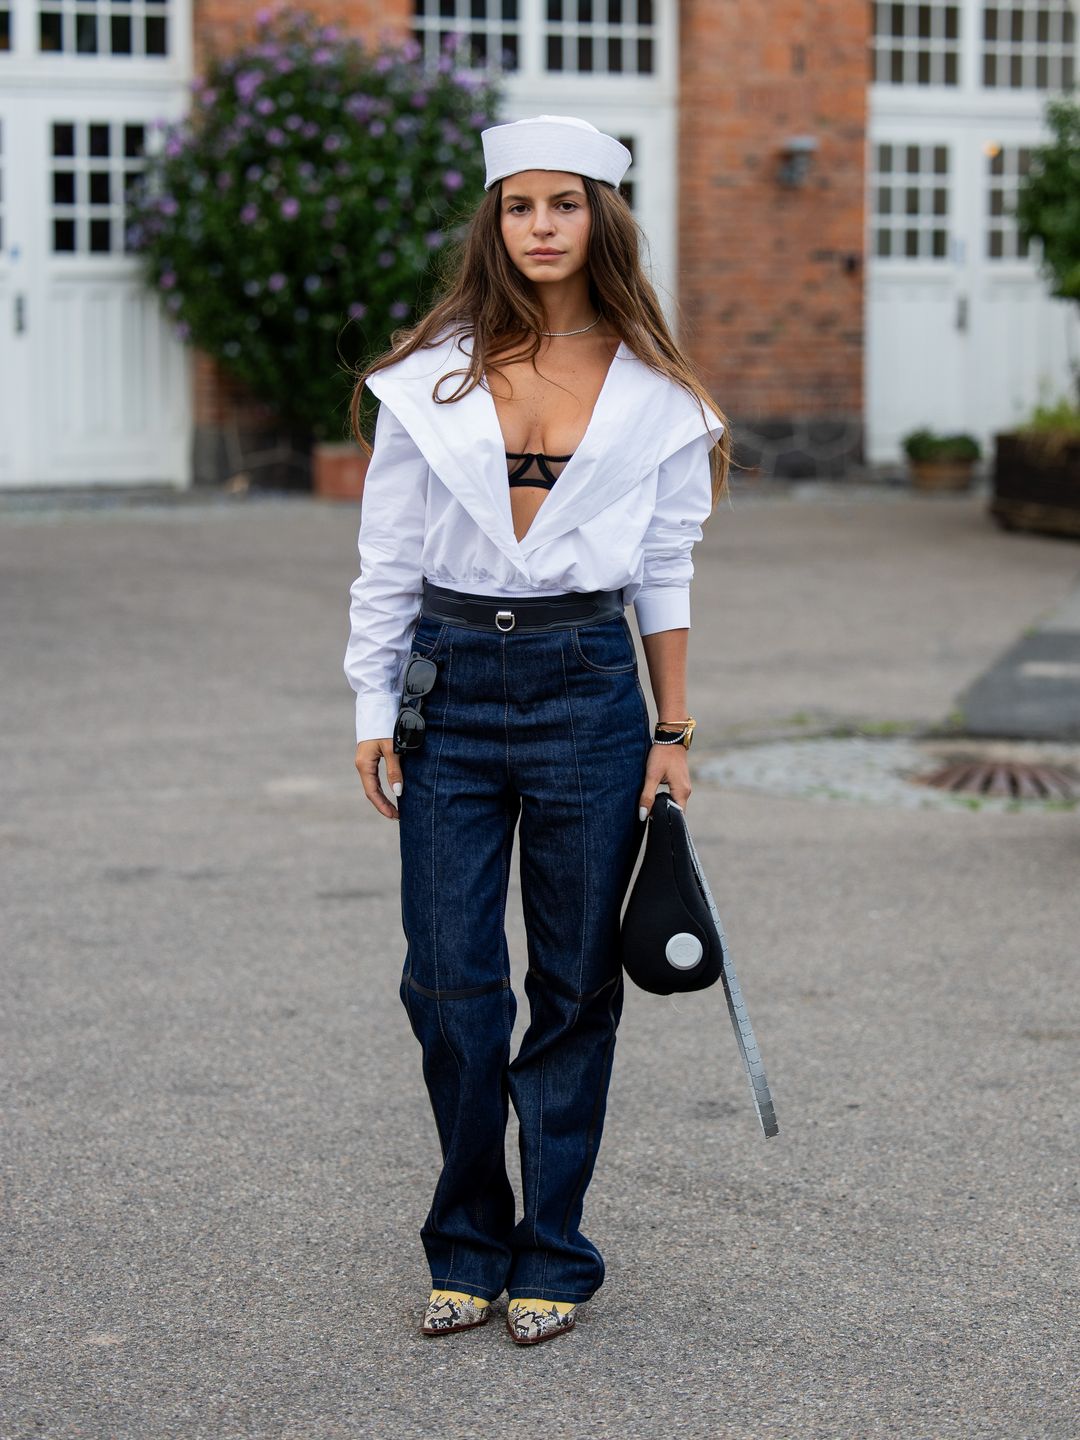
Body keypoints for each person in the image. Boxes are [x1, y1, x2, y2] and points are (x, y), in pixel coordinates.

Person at [344, 114, 730, 1346]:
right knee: (451, 986)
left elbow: (664, 569)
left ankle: (551, 1250)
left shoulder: (660, 397)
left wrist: (672, 728)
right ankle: (466, 1237)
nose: (542, 227)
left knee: (571, 987)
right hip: (447, 686)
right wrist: (371, 707)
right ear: (495, 223)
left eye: (565, 205)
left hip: (586, 688)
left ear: (602, 220)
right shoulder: (434, 374)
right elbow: (386, 563)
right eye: (521, 207)